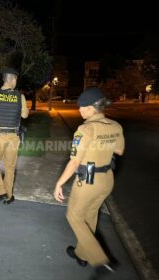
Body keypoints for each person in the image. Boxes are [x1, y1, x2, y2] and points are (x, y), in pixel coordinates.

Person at [54, 87, 125, 279]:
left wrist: (59, 184)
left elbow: (75, 161)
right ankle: (82, 254)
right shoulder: (115, 126)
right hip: (106, 179)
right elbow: (119, 151)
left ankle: (100, 261)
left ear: (91, 108)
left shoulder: (85, 129)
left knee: (74, 216)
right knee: (90, 216)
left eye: (82, 107)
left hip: (88, 180)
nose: (80, 111)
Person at [0, 67, 29, 204]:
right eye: (16, 79)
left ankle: (1, 191)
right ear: (13, 79)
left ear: (4, 79)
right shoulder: (20, 97)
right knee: (10, 167)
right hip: (13, 137)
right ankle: (8, 196)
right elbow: (24, 115)